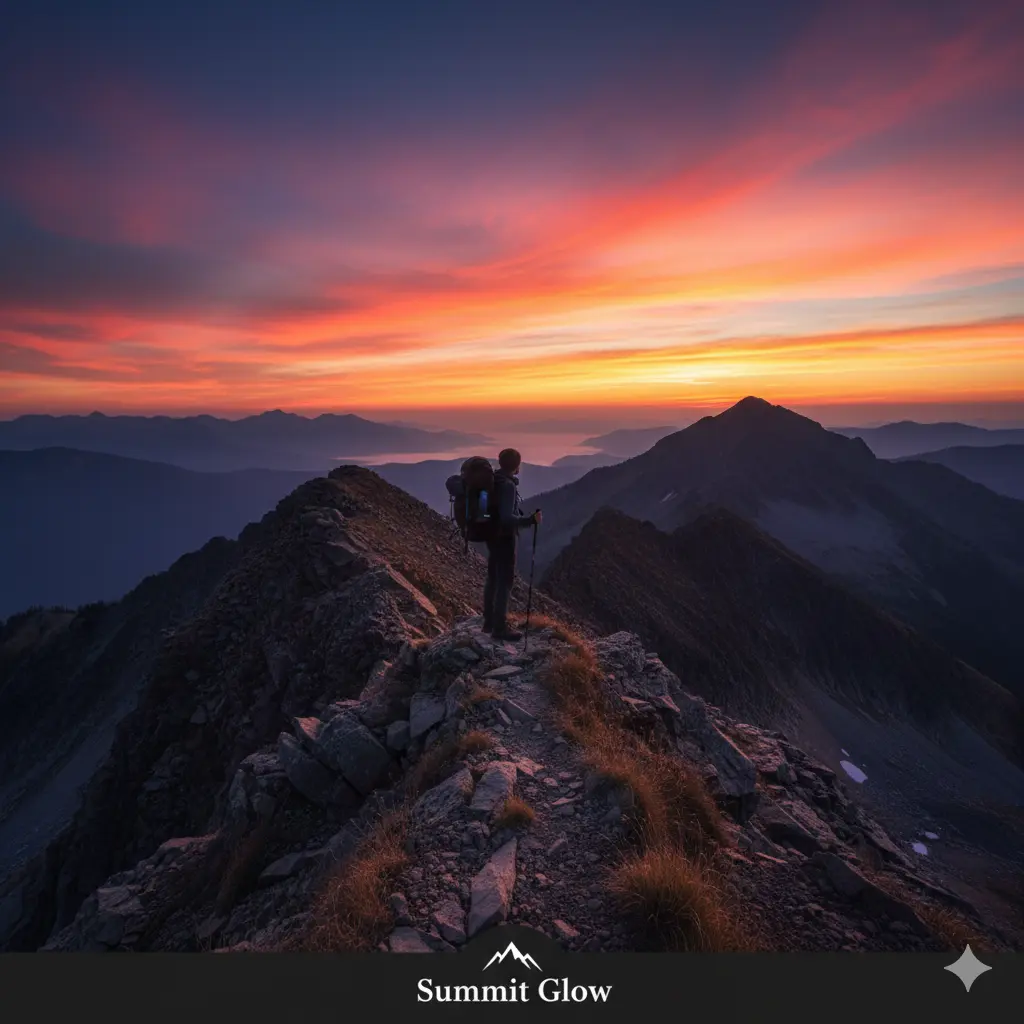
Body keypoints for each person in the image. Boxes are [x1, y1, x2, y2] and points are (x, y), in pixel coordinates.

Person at [482, 447, 541, 640]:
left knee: (492, 577)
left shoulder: (493, 481)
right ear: (516, 466)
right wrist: (530, 521)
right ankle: (500, 628)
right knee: (505, 581)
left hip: (490, 534)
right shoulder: (507, 485)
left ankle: (488, 623)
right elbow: (507, 517)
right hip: (504, 537)